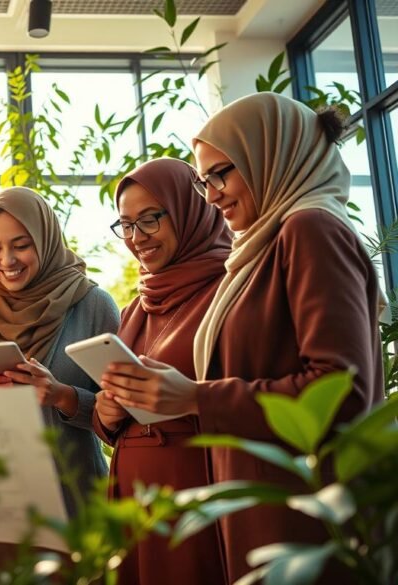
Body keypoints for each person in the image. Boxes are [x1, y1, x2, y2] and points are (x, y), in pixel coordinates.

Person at [101, 93, 384, 583]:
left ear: (269, 155)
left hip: (297, 514)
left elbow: (341, 390)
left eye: (221, 173)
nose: (211, 195)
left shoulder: (309, 228)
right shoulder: (261, 249)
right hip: (262, 506)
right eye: (203, 180)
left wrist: (193, 396)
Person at [94, 157, 229, 585]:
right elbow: (117, 415)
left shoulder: (229, 290)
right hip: (135, 499)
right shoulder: (137, 306)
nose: (137, 238)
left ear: (192, 209)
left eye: (150, 219)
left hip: (195, 492)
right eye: (126, 225)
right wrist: (106, 415)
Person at [0, 186, 117, 565]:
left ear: (45, 240)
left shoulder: (92, 305)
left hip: (75, 501)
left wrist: (62, 395)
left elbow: (124, 418)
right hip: (2, 511)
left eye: (21, 244)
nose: (7, 260)